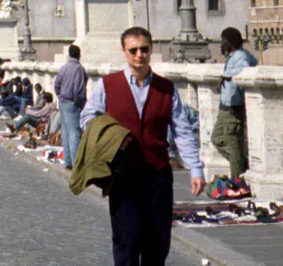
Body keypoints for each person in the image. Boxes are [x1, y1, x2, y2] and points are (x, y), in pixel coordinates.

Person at [81, 26, 205, 266]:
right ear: (124, 52)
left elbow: (182, 130)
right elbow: (87, 117)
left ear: (151, 50)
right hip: (123, 174)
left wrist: (195, 168)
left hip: (157, 174)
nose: (139, 55)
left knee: (157, 242)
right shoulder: (108, 85)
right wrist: (108, 135)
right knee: (127, 239)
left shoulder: (166, 88)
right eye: (133, 50)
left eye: (144, 49)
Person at [211, 27, 256, 181]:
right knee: (216, 138)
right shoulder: (233, 56)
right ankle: (240, 163)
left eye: (223, 40)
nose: (221, 43)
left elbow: (246, 68)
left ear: (229, 41)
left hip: (233, 108)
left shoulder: (240, 56)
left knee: (232, 143)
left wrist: (226, 75)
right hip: (225, 107)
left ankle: (237, 178)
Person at [55, 43, 88, 168]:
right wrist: (79, 102)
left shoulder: (63, 68)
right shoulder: (79, 69)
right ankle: (76, 164)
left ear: (69, 55)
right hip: (72, 103)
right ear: (79, 55)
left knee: (65, 132)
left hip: (63, 102)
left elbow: (57, 85)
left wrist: (60, 96)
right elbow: (78, 88)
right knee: (75, 133)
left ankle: (68, 161)